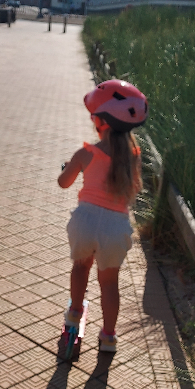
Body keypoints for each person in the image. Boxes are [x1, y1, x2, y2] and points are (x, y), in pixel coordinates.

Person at [57, 79, 148, 353]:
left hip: (84, 222)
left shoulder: (86, 153)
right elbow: (133, 189)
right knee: (109, 284)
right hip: (114, 228)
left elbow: (64, 182)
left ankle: (74, 314)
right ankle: (108, 337)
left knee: (80, 268)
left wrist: (70, 166)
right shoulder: (133, 157)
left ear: (100, 122)